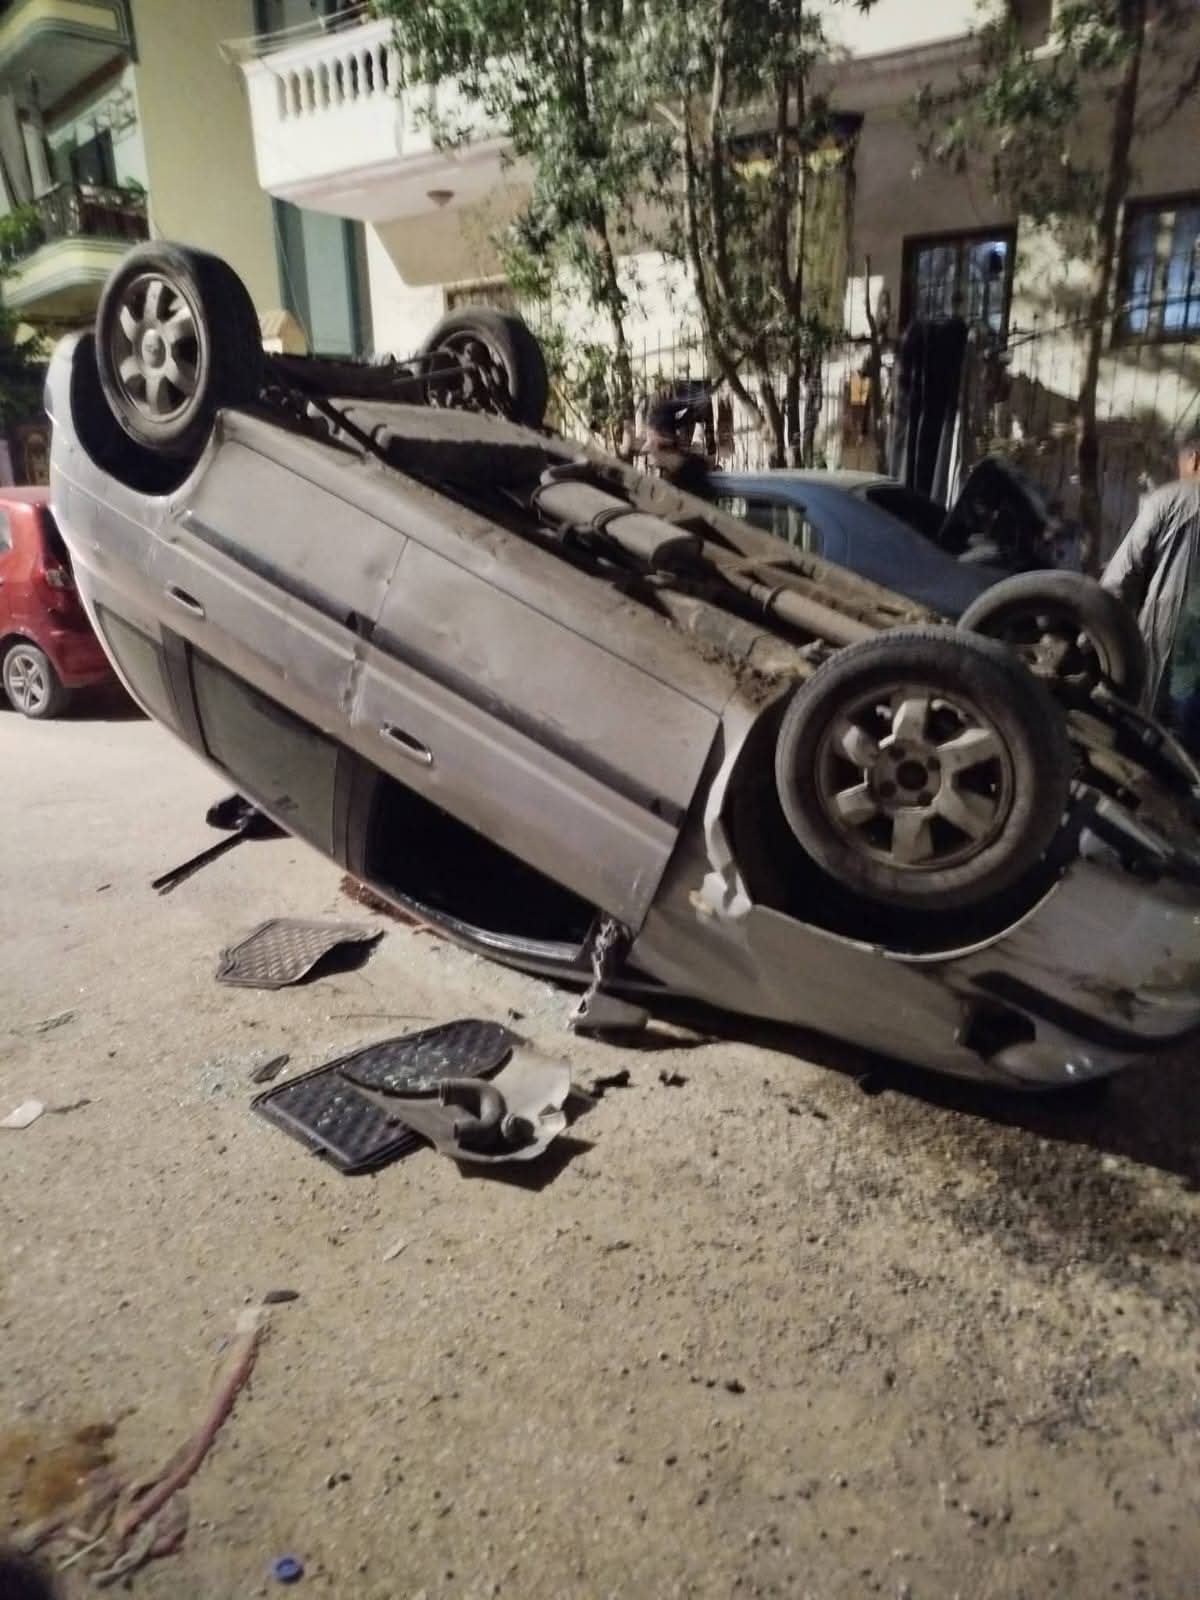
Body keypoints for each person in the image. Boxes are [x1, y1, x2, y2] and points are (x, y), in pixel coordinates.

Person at [1102, 432, 1200, 751]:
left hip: (1164, 657)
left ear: (1194, 460)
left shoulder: (1168, 500)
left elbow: (1119, 581)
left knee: (1144, 751)